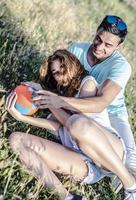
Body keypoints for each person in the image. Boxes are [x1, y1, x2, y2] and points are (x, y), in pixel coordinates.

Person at [6, 49, 136, 200]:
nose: (60, 75)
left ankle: (130, 184)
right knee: (16, 140)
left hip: (110, 151)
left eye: (63, 68)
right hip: (86, 163)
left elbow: (77, 125)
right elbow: (58, 126)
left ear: (73, 65)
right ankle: (68, 197)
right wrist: (23, 118)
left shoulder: (86, 84)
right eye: (55, 72)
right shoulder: (58, 97)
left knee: (77, 123)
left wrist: (51, 102)